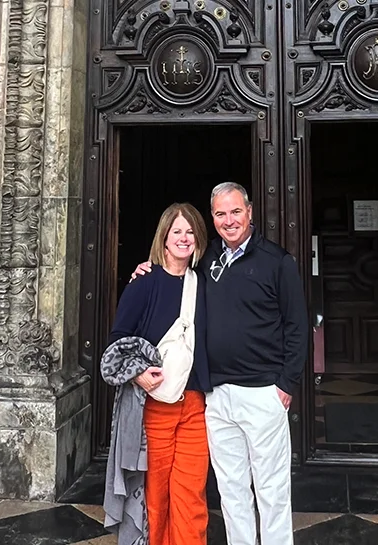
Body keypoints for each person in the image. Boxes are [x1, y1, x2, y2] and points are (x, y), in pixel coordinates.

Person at [133, 182, 309, 545]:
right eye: (220, 214)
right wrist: (146, 269)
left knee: (272, 488)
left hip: (263, 392)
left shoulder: (277, 261)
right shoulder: (207, 258)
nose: (229, 221)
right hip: (217, 396)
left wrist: (286, 384)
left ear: (250, 212)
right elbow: (173, 265)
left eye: (235, 212)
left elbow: (297, 325)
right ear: (212, 218)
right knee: (231, 488)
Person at [109, 202, 211, 545]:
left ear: (199, 238)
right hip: (154, 405)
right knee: (155, 494)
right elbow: (117, 340)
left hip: (195, 404)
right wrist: (138, 373)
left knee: (191, 494)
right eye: (177, 231)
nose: (184, 238)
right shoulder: (144, 282)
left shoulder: (206, 283)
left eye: (190, 231)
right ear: (164, 238)